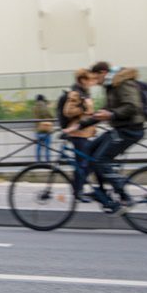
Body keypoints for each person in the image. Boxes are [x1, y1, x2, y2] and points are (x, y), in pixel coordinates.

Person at [64, 61, 145, 213]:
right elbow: (104, 112)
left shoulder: (123, 82)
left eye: (95, 78)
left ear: (103, 73)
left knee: (101, 160)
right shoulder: (111, 86)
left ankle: (124, 197)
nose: (94, 82)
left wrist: (113, 114)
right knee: (89, 149)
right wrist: (79, 126)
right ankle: (102, 193)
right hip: (119, 129)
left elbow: (133, 106)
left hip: (130, 130)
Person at [60, 69, 96, 200]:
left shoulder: (85, 93)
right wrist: (84, 108)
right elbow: (68, 111)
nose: (92, 82)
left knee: (87, 162)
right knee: (82, 163)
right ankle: (78, 191)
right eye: (89, 79)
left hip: (85, 133)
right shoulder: (76, 93)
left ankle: (77, 187)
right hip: (78, 134)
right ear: (82, 80)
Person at [32, 94, 53, 162]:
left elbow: (34, 117)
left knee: (38, 147)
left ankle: (38, 161)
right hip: (46, 128)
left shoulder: (34, 107)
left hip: (38, 129)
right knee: (47, 147)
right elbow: (51, 116)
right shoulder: (45, 107)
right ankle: (48, 161)